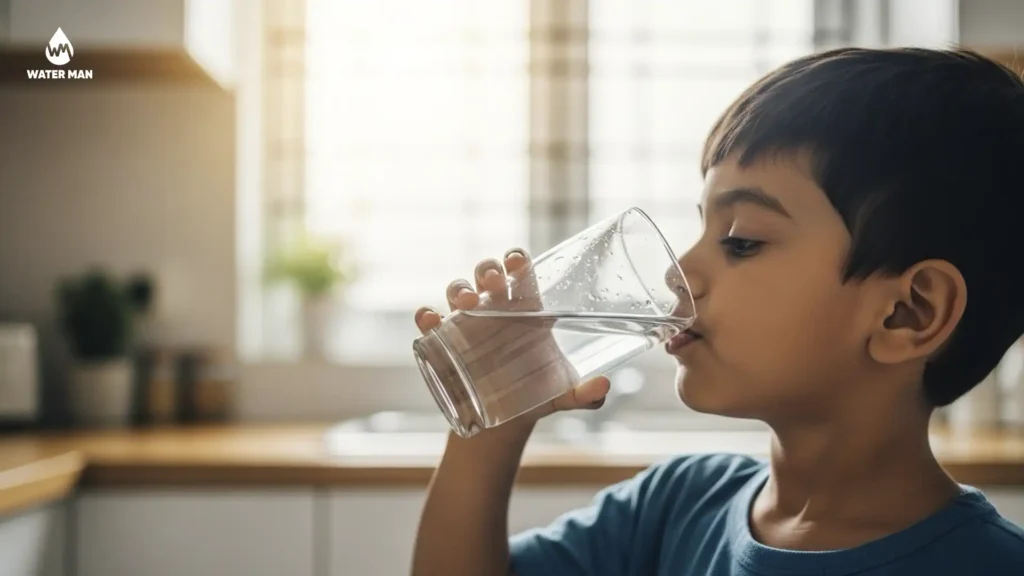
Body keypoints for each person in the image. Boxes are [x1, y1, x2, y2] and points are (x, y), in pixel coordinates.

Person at [410, 47, 1024, 575]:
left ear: (907, 314)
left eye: (741, 241)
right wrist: (491, 424)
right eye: (700, 228)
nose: (680, 270)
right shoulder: (676, 505)